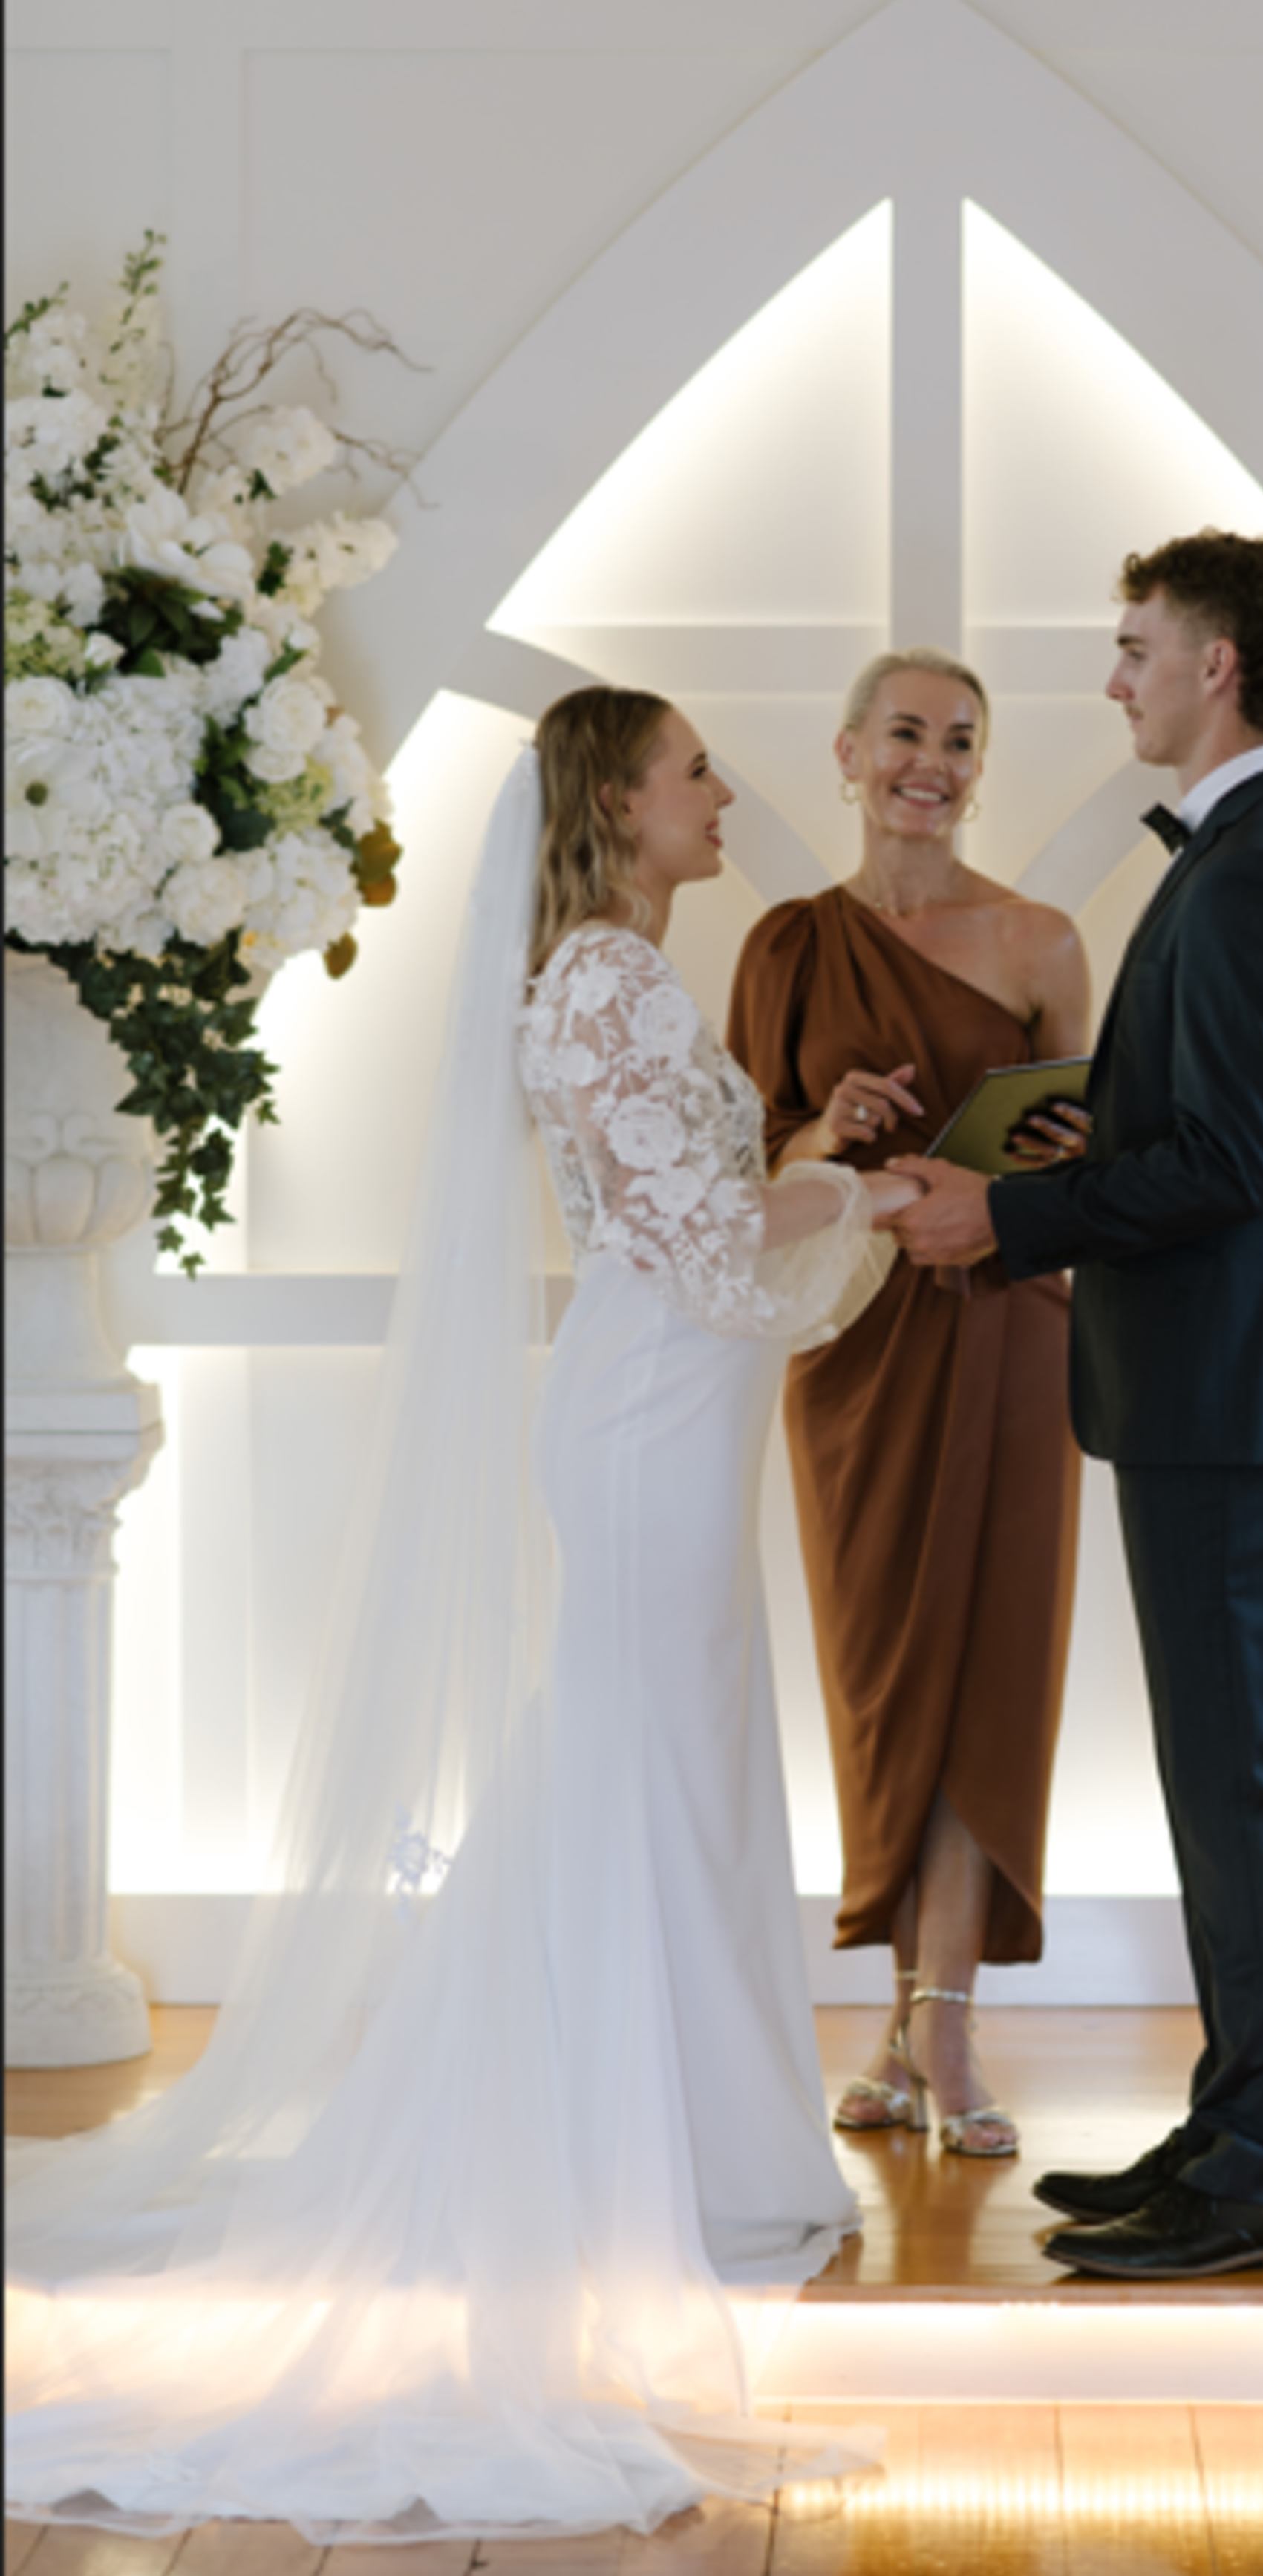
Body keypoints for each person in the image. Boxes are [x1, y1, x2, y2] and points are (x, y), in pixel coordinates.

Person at [4, 686, 919, 2543]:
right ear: (615, 800)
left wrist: (813, 1149)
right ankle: (636, 2166)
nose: (719, 792)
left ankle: (681, 2145)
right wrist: (869, 1187)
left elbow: (696, 1201)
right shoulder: (600, 981)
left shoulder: (628, 978)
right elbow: (692, 1241)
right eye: (690, 773)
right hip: (653, 1421)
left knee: (672, 1773)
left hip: (671, 1413)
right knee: (639, 1771)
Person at [894, 535, 1263, 2277]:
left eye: (1134, 649)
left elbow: (1236, 1166)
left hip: (1225, 1394)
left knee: (1241, 1783)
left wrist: (1006, 1214)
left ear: (1217, 669)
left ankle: (1262, 2173)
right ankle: (1234, 2123)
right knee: (1223, 1776)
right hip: (1215, 1387)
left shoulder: (1257, 871)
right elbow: (1206, 1126)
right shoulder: (1257, 857)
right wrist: (1083, 1134)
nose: (1114, 681)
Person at [727, 649, 1089, 2156]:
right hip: (853, 1355)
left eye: (959, 740)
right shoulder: (785, 945)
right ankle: (895, 2012)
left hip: (1008, 1336)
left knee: (986, 1668)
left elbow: (1088, 1159)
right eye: (904, 735)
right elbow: (743, 1178)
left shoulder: (1040, 939)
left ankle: (941, 2034)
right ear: (847, 752)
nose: (930, 762)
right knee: (881, 1681)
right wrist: (834, 1124)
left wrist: (997, 1173)